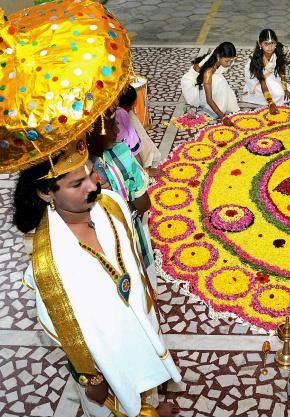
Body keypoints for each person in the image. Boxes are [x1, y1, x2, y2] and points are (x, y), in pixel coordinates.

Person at [14, 141, 181, 417]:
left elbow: (133, 263)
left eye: (91, 174)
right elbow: (62, 325)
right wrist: (90, 377)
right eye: (77, 183)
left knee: (145, 383)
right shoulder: (48, 261)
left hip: (137, 328)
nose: (93, 187)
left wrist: (148, 306)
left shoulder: (112, 204)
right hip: (102, 361)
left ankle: (149, 406)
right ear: (46, 193)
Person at [86, 110, 158, 289]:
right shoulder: (76, 172)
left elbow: (144, 204)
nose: (117, 130)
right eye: (111, 126)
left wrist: (116, 199)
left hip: (129, 236)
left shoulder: (122, 154)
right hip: (97, 250)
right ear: (90, 131)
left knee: (139, 285)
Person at [180, 42, 239, 126]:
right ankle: (207, 107)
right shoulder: (208, 72)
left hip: (204, 82)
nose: (229, 64)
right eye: (227, 61)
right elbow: (209, 99)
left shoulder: (218, 58)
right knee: (220, 80)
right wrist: (223, 117)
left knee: (220, 82)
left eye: (231, 60)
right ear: (218, 57)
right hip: (193, 90)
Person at [116, 86, 163, 178]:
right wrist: (145, 171)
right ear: (133, 104)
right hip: (122, 158)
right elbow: (134, 148)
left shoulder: (116, 110)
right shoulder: (124, 116)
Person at [242, 29, 290, 112]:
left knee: (285, 93)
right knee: (278, 94)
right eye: (266, 44)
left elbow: (281, 69)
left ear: (276, 43)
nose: (270, 47)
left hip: (269, 74)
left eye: (272, 43)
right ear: (260, 44)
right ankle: (251, 91)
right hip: (256, 77)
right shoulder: (256, 59)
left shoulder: (279, 50)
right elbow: (262, 81)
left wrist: (284, 87)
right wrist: (270, 103)